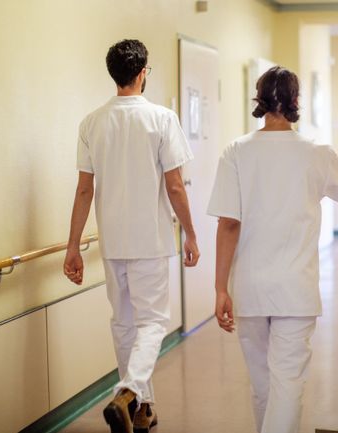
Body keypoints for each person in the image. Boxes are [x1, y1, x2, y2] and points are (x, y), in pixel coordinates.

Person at [207, 66, 338, 433]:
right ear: (295, 102)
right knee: (287, 384)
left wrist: (220, 288)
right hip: (295, 289)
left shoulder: (236, 152)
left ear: (259, 100)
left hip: (250, 289)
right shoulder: (316, 152)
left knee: (262, 386)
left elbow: (228, 224)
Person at [63, 39, 200, 433]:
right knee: (154, 323)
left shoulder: (92, 122)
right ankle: (128, 391)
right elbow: (175, 187)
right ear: (143, 73)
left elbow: (84, 190)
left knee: (124, 325)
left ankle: (140, 408)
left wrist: (73, 246)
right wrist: (191, 234)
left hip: (113, 242)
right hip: (151, 240)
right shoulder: (161, 118)